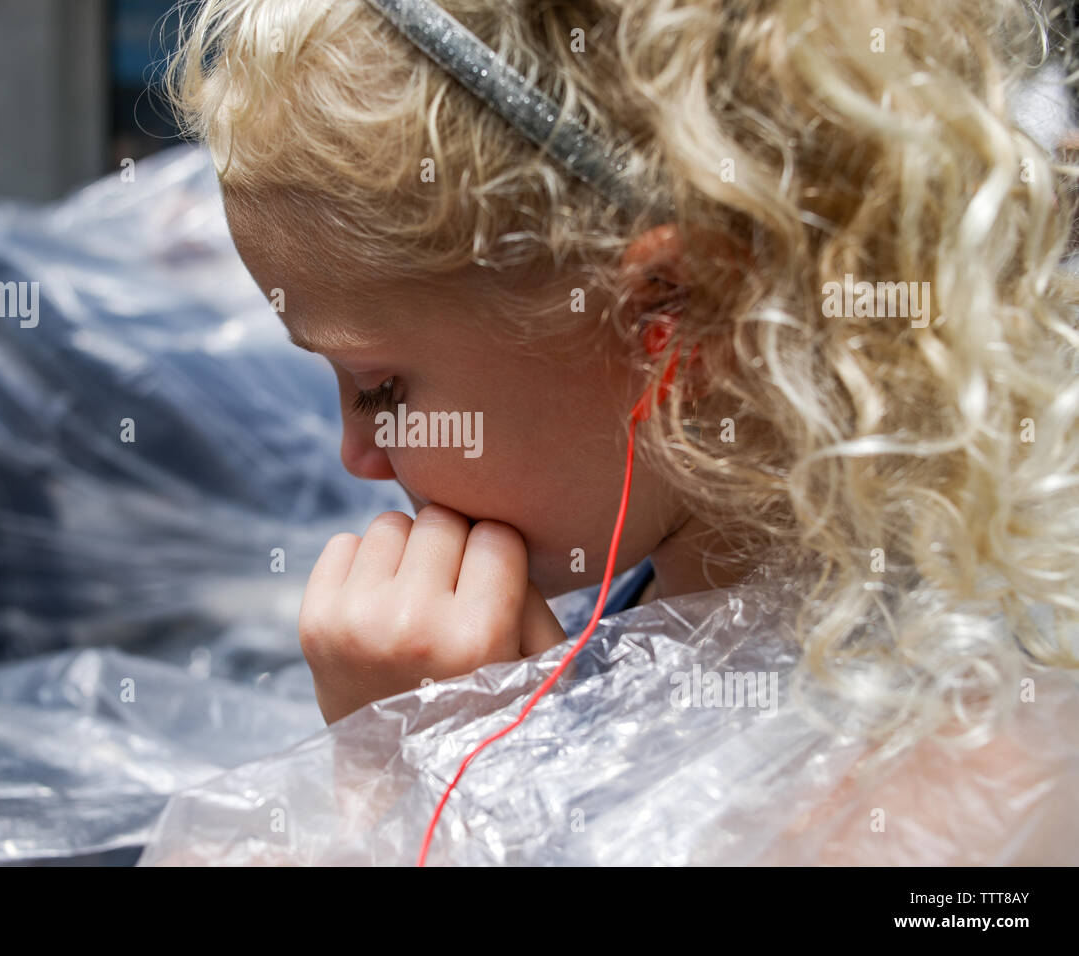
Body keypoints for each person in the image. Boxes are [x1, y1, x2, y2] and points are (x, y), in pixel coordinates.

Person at [138, 0, 1079, 864]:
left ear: (674, 308)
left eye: (381, 385)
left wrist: (395, 781)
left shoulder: (957, 797)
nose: (359, 453)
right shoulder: (647, 608)